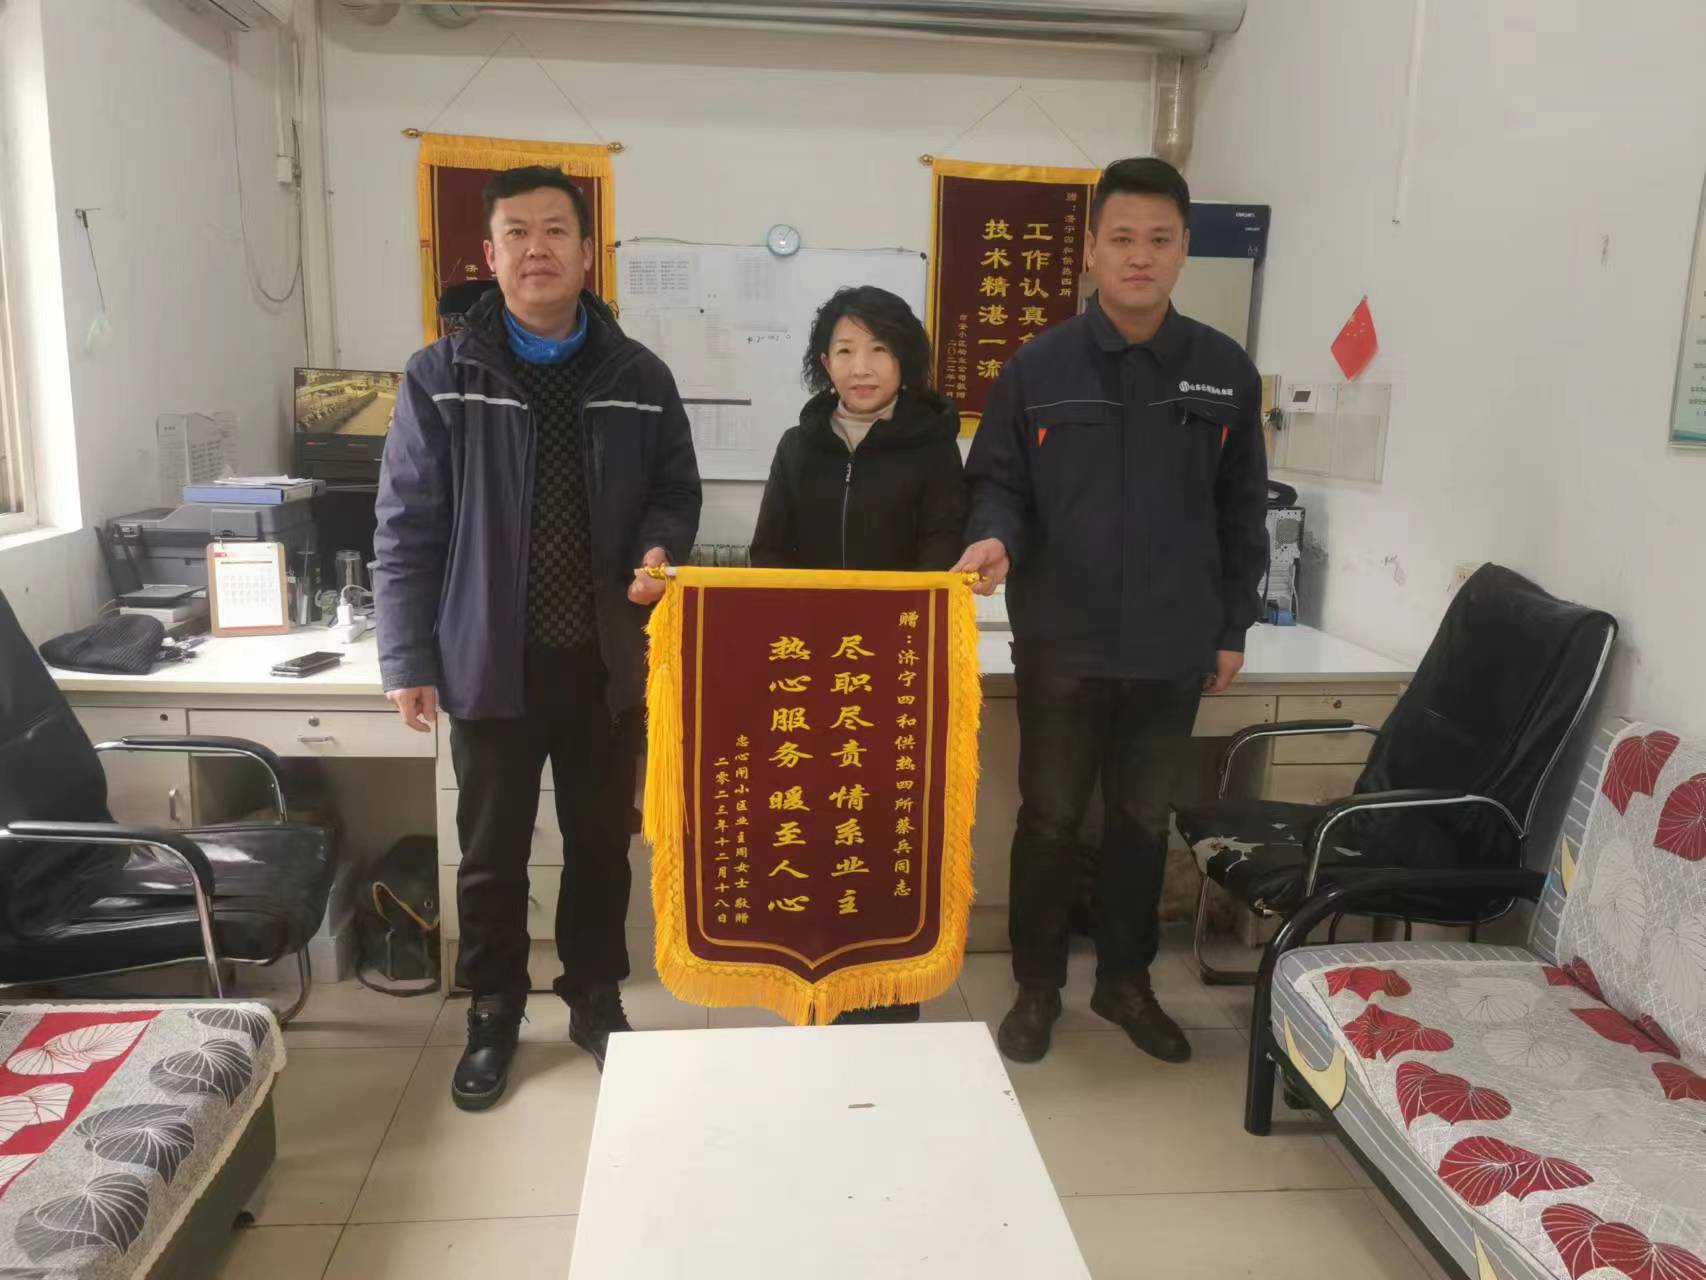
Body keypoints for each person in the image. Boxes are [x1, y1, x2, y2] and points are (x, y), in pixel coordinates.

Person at [374, 166, 701, 1108]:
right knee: (491, 856)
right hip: (489, 662)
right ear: (490, 254)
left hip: (606, 663)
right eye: (516, 233)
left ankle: (595, 997)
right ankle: (493, 1009)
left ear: (589, 252)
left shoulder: (639, 376)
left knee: (601, 847)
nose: (537, 249)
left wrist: (659, 548)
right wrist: (407, 657)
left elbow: (675, 491)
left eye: (556, 230)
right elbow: (405, 525)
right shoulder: (442, 376)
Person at [955, 157, 1269, 1066]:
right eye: (1122, 238)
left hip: (1172, 645)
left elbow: (1241, 508)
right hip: (1065, 640)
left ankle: (1126, 983)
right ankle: (1038, 987)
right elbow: (999, 484)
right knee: (1050, 819)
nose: (1140, 256)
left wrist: (1231, 626)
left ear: (1184, 250)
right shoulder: (1038, 367)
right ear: (1090, 250)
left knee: (1140, 821)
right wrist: (993, 537)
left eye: (1159, 239)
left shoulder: (1223, 370)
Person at [750, 285, 964, 1023]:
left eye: (878, 349)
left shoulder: (935, 449)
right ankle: (812, 981)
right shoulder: (797, 446)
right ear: (824, 363)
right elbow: (768, 558)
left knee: (886, 836)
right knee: (811, 833)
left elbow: (938, 567)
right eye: (844, 350)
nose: (861, 366)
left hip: (896, 683)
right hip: (807, 681)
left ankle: (888, 994)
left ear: (906, 361)